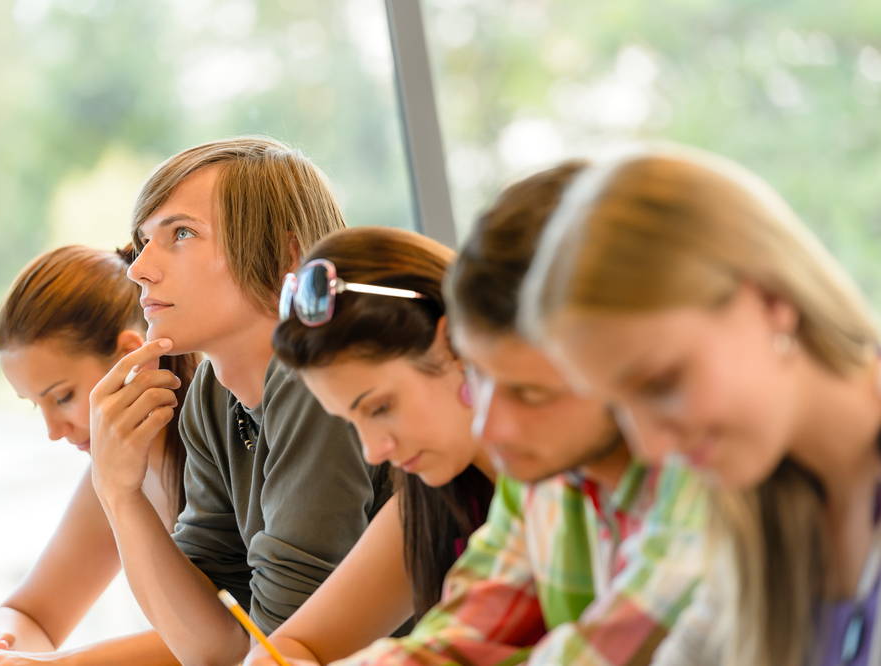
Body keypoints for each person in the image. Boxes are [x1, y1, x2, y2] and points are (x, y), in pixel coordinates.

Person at [279, 162, 707, 666]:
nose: (490, 424)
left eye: (528, 391)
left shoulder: (707, 467)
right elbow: (453, 641)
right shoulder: (540, 486)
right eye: (484, 383)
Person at [520, 145, 881, 665]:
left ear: (772, 300)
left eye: (662, 382)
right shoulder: (760, 510)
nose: (649, 446)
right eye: (618, 407)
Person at [87, 137, 391, 666]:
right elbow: (211, 642)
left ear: (288, 257)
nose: (139, 269)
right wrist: (118, 492)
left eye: (182, 233)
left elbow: (272, 645)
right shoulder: (209, 394)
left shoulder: (314, 380)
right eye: (143, 243)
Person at [240, 226, 496, 664]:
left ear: (456, 344)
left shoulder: (566, 490)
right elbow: (287, 648)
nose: (373, 451)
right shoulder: (429, 505)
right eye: (349, 422)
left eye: (379, 408)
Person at [0, 245, 197, 666]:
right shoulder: (112, 469)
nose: (52, 431)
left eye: (62, 397)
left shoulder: (216, 450)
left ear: (130, 356)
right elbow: (37, 615)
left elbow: (229, 637)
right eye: (35, 405)